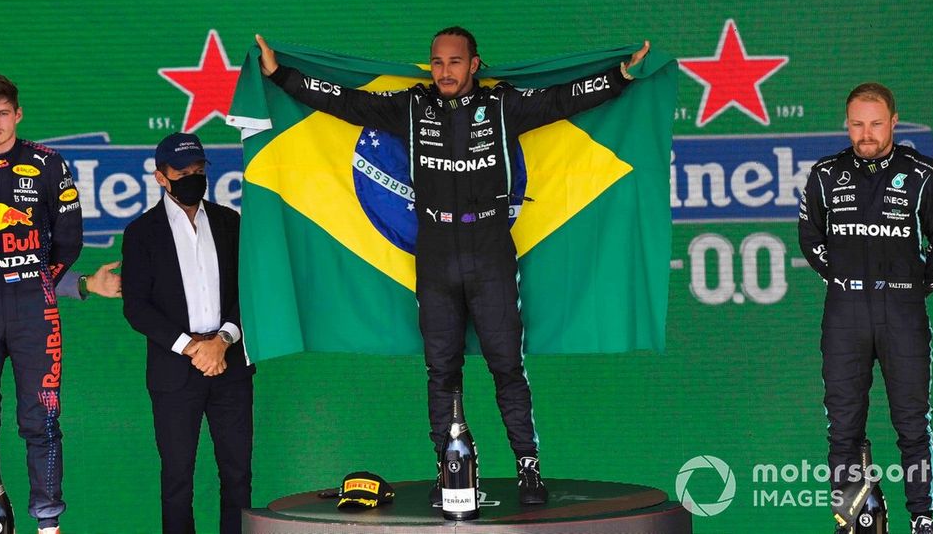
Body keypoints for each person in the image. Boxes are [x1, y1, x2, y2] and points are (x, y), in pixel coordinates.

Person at [255, 28, 650, 505]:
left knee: (507, 367)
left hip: (489, 253)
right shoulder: (411, 108)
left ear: (475, 65)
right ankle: (452, 471)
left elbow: (564, 99)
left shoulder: (504, 108)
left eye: (455, 62)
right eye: (438, 62)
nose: (445, 71)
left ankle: (529, 468)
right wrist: (281, 76)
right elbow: (344, 102)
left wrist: (621, 77)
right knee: (441, 370)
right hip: (436, 254)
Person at [799, 82, 933, 534]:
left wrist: (915, 287)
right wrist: (842, 281)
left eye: (876, 123)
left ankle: (922, 518)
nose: (866, 133)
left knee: (912, 424)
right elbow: (810, 239)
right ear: (847, 123)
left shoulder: (924, 173)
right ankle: (850, 520)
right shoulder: (825, 174)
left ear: (894, 122)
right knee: (842, 428)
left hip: (902, 310)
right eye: (857, 124)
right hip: (845, 313)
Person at [0, 74, 83, 534]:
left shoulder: (49, 164)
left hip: (33, 305)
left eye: (3, 113)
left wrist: (38, 282)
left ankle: (48, 523)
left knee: (41, 419)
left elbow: (69, 241)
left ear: (18, 114)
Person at [121, 132, 255, 534]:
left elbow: (250, 290)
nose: (193, 178)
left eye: (199, 170)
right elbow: (137, 307)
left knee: (237, 476)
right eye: (182, 172)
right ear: (161, 176)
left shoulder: (230, 222)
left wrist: (223, 341)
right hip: (174, 372)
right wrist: (192, 348)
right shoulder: (141, 232)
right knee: (177, 480)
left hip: (230, 366)